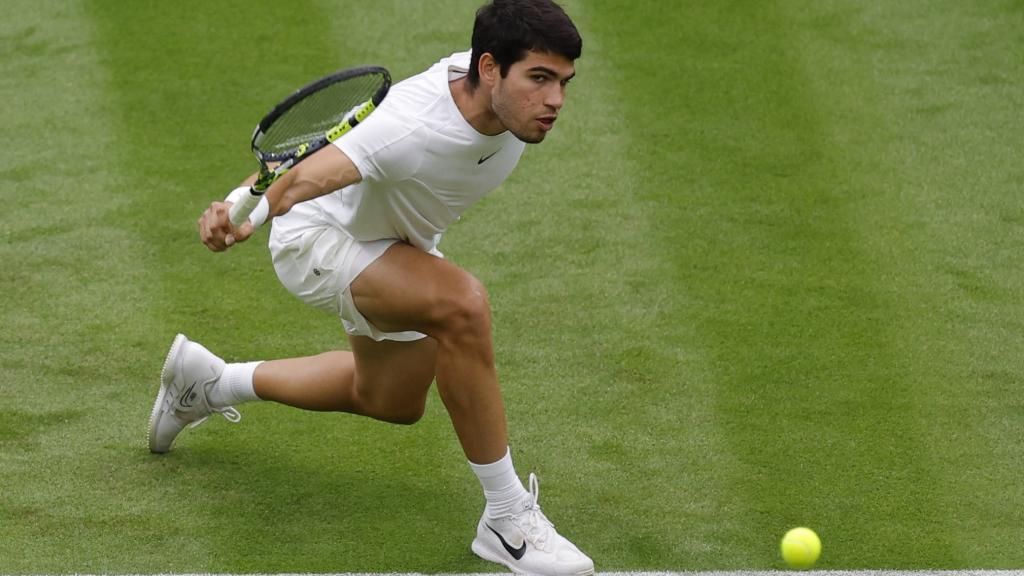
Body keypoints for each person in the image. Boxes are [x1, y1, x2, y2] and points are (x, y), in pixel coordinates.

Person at [147, 0, 593, 574]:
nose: (555, 100)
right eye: (539, 78)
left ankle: (209, 382)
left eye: (563, 82)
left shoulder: (494, 84)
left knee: (389, 399)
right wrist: (241, 214)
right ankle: (507, 520)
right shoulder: (408, 127)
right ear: (488, 69)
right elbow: (304, 173)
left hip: (393, 241)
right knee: (461, 306)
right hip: (319, 240)